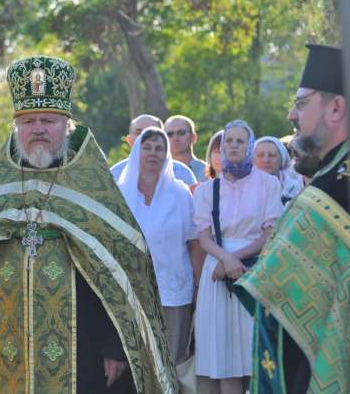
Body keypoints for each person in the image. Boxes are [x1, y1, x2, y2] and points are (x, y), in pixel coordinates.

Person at [0, 56, 176, 394]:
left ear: (67, 124)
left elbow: (120, 274)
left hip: (85, 351)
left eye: (48, 119)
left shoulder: (92, 186)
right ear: (16, 127)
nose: (39, 129)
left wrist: (115, 346)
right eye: (28, 121)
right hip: (2, 350)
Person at [235, 44, 349, 394]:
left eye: (301, 103)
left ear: (335, 107)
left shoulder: (331, 194)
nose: (291, 115)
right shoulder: (330, 178)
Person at [193, 120, 282, 394]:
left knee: (253, 356)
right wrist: (224, 259)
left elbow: (269, 234)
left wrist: (233, 260)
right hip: (217, 276)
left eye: (239, 141)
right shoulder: (208, 189)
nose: (232, 145)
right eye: (228, 141)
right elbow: (203, 237)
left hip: (253, 272)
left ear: (249, 146)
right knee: (225, 360)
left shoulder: (268, 184)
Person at [117, 127, 201, 365]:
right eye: (147, 147)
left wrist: (198, 286)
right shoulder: (120, 193)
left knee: (171, 360)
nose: (153, 153)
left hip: (175, 290)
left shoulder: (180, 193)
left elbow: (194, 243)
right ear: (136, 151)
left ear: (167, 155)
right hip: (132, 290)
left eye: (159, 148)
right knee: (137, 361)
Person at [110, 115, 198, 186]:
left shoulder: (182, 173)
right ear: (129, 140)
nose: (146, 138)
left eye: (151, 132)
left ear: (164, 138)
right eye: (139, 133)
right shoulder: (115, 174)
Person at [253, 136, 304, 205]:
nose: (266, 160)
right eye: (260, 155)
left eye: (271, 155)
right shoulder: (245, 189)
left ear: (282, 159)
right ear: (253, 160)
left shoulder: (298, 188)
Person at [165, 115, 209, 182]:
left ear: (194, 137)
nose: (175, 138)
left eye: (181, 133)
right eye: (169, 134)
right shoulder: (158, 171)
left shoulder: (208, 172)